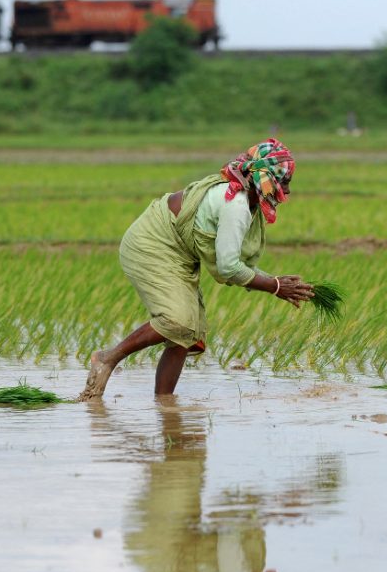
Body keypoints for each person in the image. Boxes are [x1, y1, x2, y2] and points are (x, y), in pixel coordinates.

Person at [77, 139, 314, 401]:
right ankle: (108, 358)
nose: (287, 191)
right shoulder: (235, 204)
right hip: (153, 244)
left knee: (186, 333)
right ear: (267, 179)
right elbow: (228, 268)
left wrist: (274, 282)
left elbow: (236, 264)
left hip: (179, 252)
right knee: (177, 321)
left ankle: (164, 405)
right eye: (285, 183)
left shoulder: (248, 201)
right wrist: (275, 286)